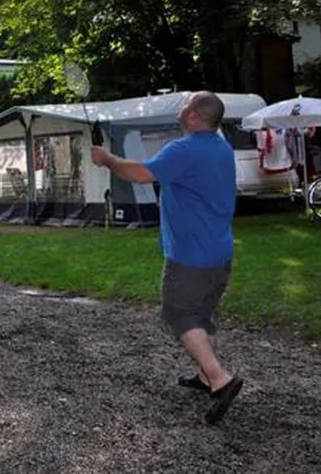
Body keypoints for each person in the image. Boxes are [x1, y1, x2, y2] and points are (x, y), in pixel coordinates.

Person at [91, 91, 244, 425]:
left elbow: (140, 173)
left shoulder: (184, 149)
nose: (180, 112)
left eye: (185, 108)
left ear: (193, 116)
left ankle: (220, 379)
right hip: (220, 251)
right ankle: (204, 376)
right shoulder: (221, 147)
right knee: (200, 313)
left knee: (178, 313)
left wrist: (107, 159)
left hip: (191, 255)